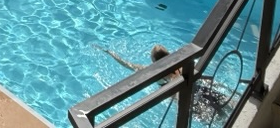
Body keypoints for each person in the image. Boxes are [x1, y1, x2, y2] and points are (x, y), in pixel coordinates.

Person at [96, 43, 232, 122]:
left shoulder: (155, 72)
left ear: (155, 61)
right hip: (200, 88)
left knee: (217, 121)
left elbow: (128, 65)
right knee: (226, 107)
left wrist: (111, 53)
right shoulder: (179, 60)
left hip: (187, 98)